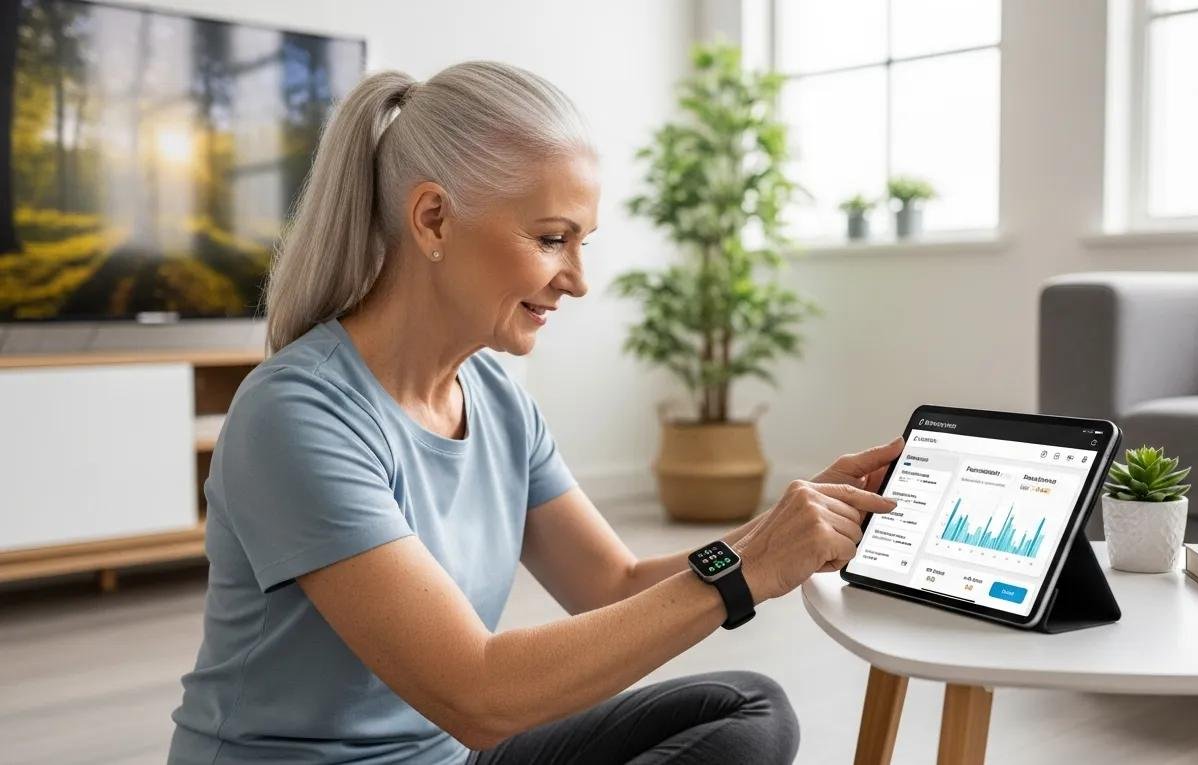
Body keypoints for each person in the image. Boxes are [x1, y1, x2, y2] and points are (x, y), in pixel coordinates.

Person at [168, 61, 904, 765]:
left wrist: (785, 527)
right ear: (433, 219)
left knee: (749, 711)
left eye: (582, 243)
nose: (577, 280)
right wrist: (748, 570)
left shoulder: (494, 396)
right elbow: (478, 694)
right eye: (553, 239)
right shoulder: (298, 415)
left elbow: (613, 585)